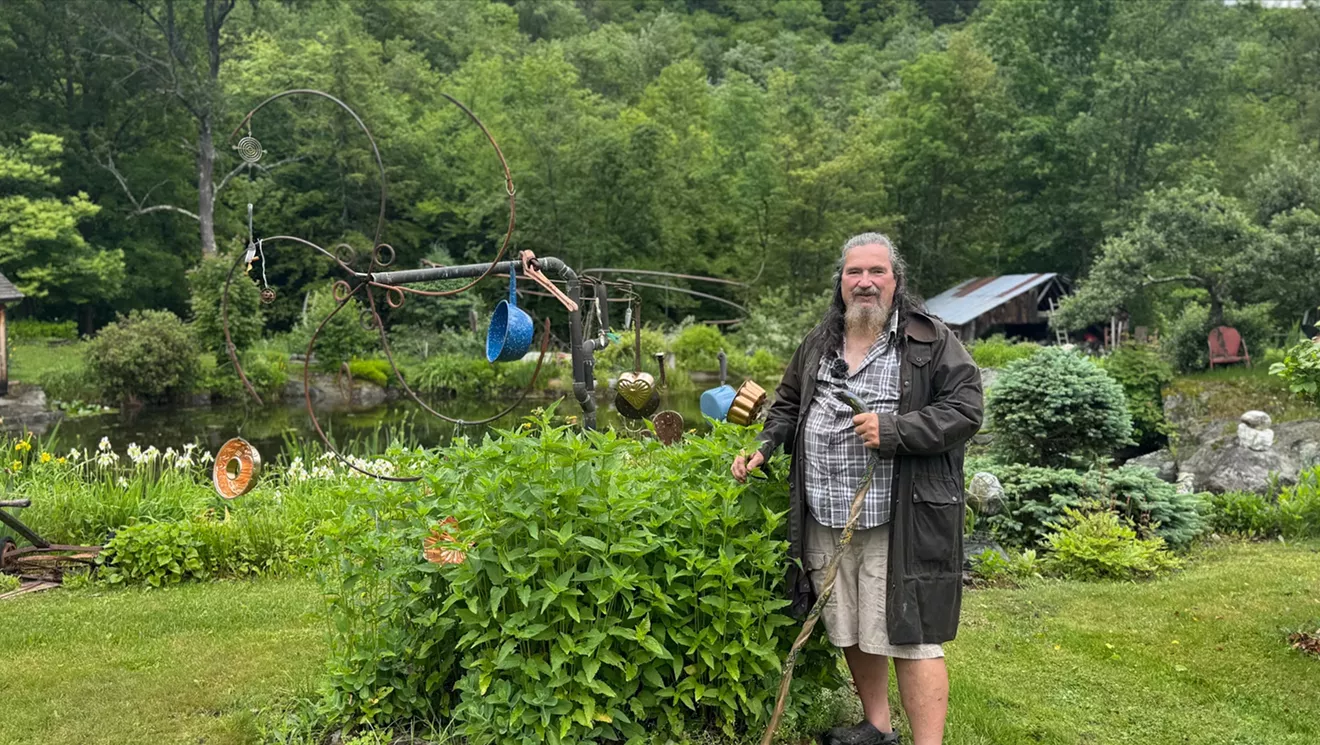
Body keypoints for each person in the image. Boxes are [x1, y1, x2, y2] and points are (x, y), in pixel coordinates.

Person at [731, 233, 983, 745]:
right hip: (825, 513)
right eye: (854, 273)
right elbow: (786, 403)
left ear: (895, 281)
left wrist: (895, 431)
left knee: (912, 636)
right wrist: (766, 444)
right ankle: (877, 726)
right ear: (841, 283)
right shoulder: (820, 340)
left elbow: (965, 410)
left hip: (901, 517)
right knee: (849, 624)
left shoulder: (931, 341)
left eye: (876, 272)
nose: (865, 282)